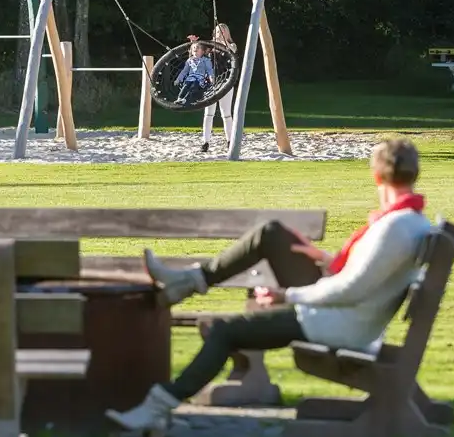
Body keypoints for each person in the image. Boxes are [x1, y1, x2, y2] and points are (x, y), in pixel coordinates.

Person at [105, 137, 432, 434]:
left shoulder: (394, 227)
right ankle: (188, 282)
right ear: (413, 174)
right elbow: (367, 276)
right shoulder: (411, 221)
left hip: (339, 322)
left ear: (377, 177)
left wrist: (286, 295)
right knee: (271, 234)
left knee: (224, 332)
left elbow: (352, 289)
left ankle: (157, 407)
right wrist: (325, 259)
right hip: (347, 314)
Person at [200, 23, 237, 152]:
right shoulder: (209, 46)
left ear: (227, 33)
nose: (219, 34)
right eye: (217, 31)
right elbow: (197, 54)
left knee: (226, 114)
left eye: (222, 31)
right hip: (211, 83)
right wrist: (194, 43)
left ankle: (230, 140)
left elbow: (231, 50)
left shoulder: (231, 45)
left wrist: (222, 42)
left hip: (225, 82)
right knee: (208, 113)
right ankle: (205, 142)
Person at [173, 41, 214, 106]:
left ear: (203, 52)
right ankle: (179, 98)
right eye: (194, 47)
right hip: (190, 78)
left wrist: (211, 77)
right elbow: (184, 71)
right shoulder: (189, 60)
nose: (196, 48)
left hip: (199, 79)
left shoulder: (205, 60)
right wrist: (178, 79)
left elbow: (209, 70)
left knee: (193, 87)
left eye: (198, 47)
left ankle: (185, 99)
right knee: (185, 86)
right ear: (191, 52)